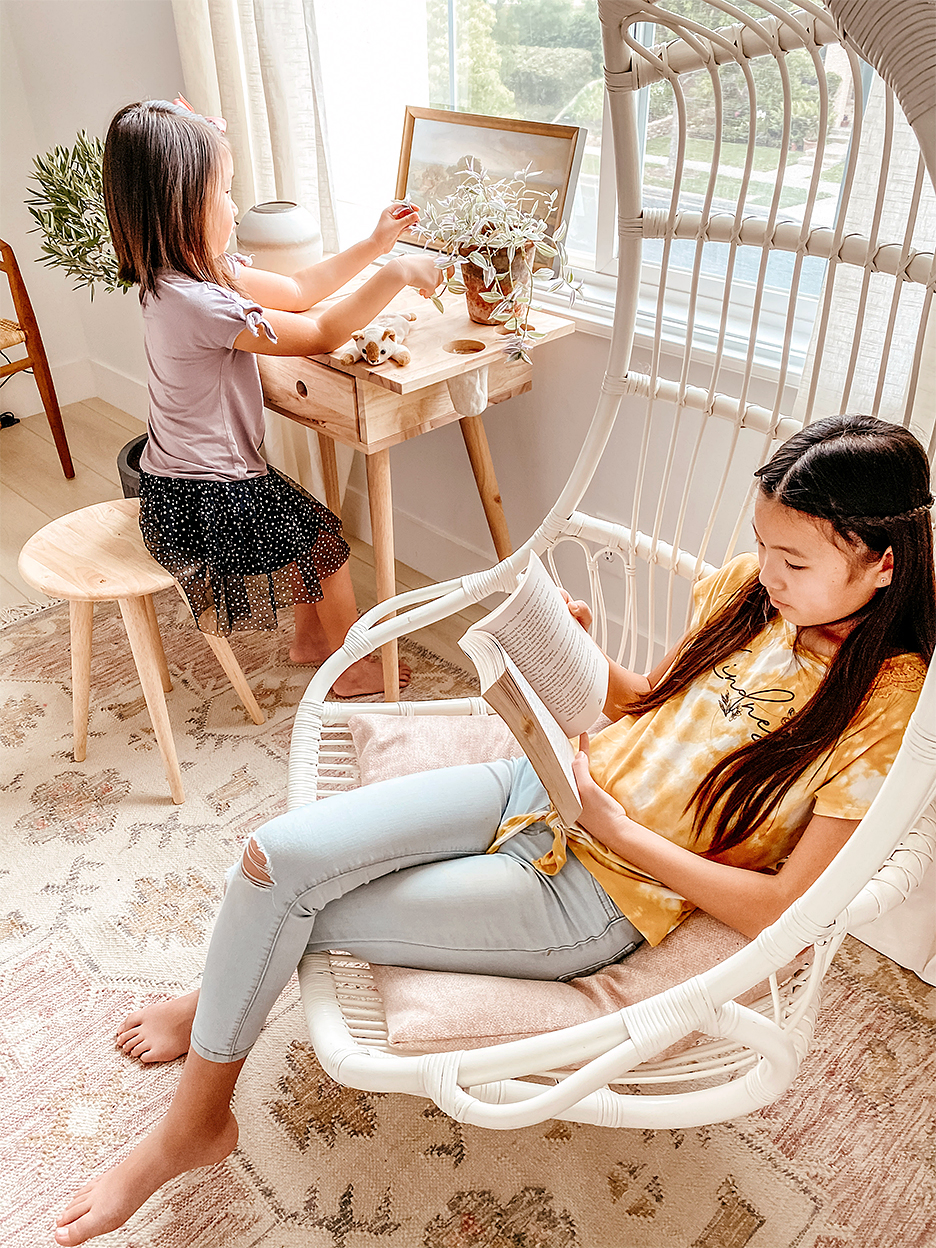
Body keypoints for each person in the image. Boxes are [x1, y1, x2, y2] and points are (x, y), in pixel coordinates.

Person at [55, 414, 935, 1244]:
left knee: (297, 911)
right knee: (273, 860)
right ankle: (219, 1005)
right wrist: (570, 651)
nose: (767, 574)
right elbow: (656, 704)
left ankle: (193, 1124)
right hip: (538, 780)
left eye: (793, 561)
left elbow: (784, 908)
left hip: (590, 891)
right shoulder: (753, 597)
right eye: (761, 546)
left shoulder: (887, 704)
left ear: (884, 564)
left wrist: (618, 834)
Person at [102, 99, 442, 696]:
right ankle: (347, 667)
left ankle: (312, 639)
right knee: (324, 544)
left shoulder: (182, 275)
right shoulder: (202, 303)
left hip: (180, 479)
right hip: (201, 498)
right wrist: (397, 276)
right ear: (184, 206)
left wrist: (373, 245)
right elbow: (321, 332)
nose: (235, 206)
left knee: (305, 531)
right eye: (226, 193)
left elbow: (296, 289)